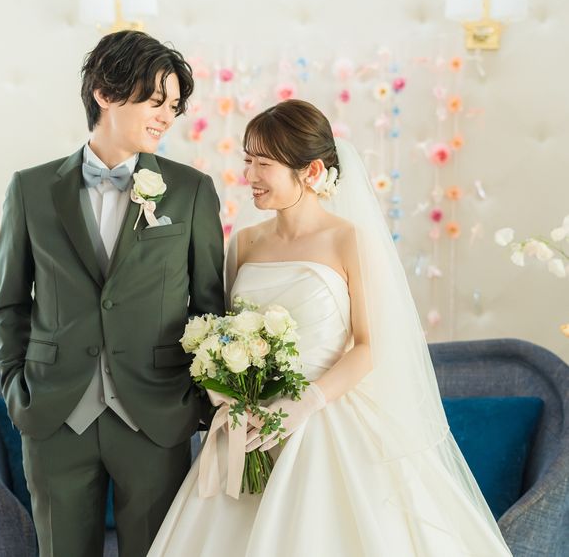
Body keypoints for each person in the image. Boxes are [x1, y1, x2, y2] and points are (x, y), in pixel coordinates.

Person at [148, 99, 513, 556]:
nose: (250, 175)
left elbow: (369, 345)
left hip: (326, 416)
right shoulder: (243, 243)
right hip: (251, 426)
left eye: (264, 164)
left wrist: (303, 405)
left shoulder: (349, 240)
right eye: (248, 161)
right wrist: (229, 395)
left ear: (312, 171)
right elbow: (224, 333)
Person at [0, 30, 224, 557]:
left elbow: (210, 309)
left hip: (156, 418)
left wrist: (194, 404)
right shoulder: (30, 189)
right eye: (156, 101)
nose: (166, 117)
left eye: (174, 107)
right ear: (105, 93)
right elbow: (8, 305)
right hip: (54, 416)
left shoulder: (191, 191)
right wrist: (17, 389)